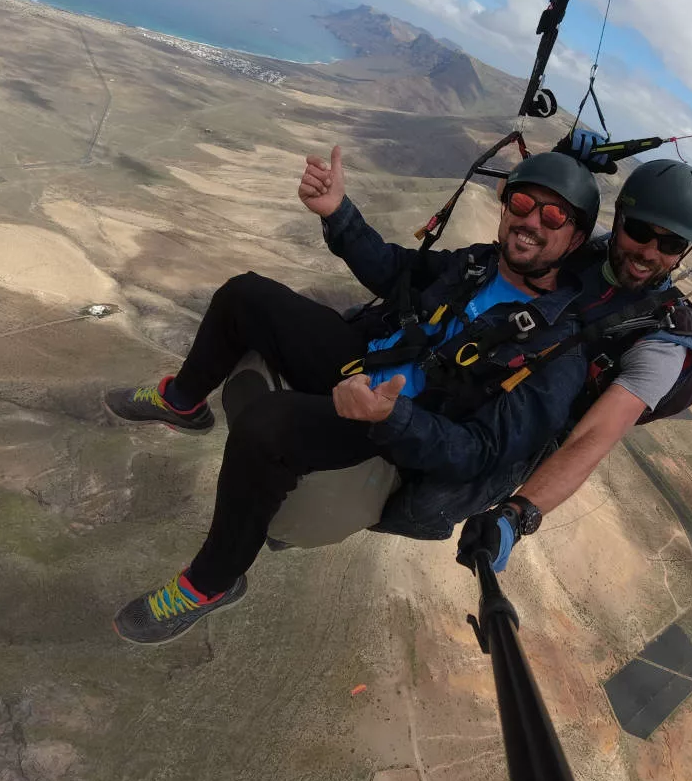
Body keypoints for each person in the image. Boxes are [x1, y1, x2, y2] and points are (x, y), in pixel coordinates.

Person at [103, 145, 604, 645]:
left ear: (576, 237)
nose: (530, 221)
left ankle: (212, 582)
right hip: (363, 361)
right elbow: (394, 272)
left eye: (553, 214)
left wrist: (394, 417)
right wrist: (339, 213)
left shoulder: (557, 350)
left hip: (394, 430)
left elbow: (481, 452)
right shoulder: (479, 264)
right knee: (244, 295)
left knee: (266, 425)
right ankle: (183, 400)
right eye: (521, 204)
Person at [457, 157, 692, 573]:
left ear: (685, 250)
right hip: (482, 362)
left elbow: (593, 438)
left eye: (669, 245)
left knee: (422, 503)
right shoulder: (587, 249)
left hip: (533, 428)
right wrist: (565, 160)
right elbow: (534, 217)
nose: (648, 252)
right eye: (639, 232)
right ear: (619, 220)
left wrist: (518, 514)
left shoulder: (664, 342)